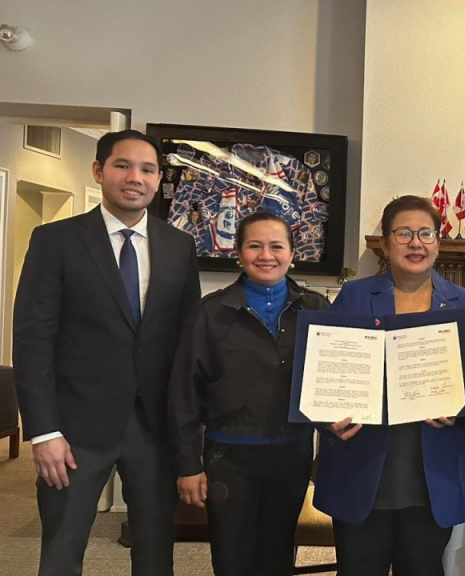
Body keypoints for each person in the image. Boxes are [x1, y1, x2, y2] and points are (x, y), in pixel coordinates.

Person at [13, 129, 201, 575]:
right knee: (62, 550)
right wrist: (43, 431)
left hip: (154, 429)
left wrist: (189, 432)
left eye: (148, 169)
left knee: (155, 551)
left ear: (158, 180)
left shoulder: (179, 246)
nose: (135, 177)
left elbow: (188, 341)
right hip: (73, 429)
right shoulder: (55, 240)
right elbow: (33, 340)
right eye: (123, 165)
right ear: (99, 171)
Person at [314, 195, 465, 576]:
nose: (416, 243)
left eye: (426, 233)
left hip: (433, 474)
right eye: (404, 233)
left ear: (438, 242)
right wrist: (326, 417)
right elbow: (326, 370)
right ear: (386, 242)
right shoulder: (355, 296)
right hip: (362, 468)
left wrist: (461, 407)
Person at [167, 211, 329, 575]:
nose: (266, 255)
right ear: (239, 253)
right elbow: (183, 395)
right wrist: (188, 465)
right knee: (232, 557)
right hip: (229, 458)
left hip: (292, 453)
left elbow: (335, 382)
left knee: (278, 553)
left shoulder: (317, 308)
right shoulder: (210, 313)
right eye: (255, 246)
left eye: (277, 246)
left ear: (292, 253)